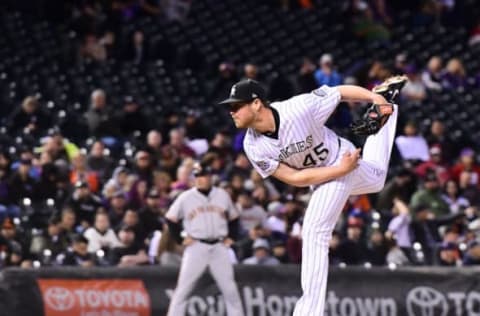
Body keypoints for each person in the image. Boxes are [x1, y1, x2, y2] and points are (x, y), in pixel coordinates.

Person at [219, 76, 407, 315]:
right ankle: (389, 102)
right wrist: (340, 170)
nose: (231, 112)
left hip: (339, 156)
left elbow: (339, 92)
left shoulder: (298, 108)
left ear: (256, 103)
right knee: (377, 179)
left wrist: (373, 98)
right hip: (329, 172)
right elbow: (294, 179)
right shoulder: (253, 145)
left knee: (314, 231)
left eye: (236, 106)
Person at [165, 156, 244, 316]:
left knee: (230, 290)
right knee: (183, 290)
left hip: (219, 247)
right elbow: (171, 219)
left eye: (203, 176)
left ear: (210, 177)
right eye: (197, 176)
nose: (200, 179)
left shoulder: (222, 195)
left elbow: (234, 218)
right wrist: (180, 239)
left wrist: (232, 237)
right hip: (196, 247)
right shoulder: (186, 197)